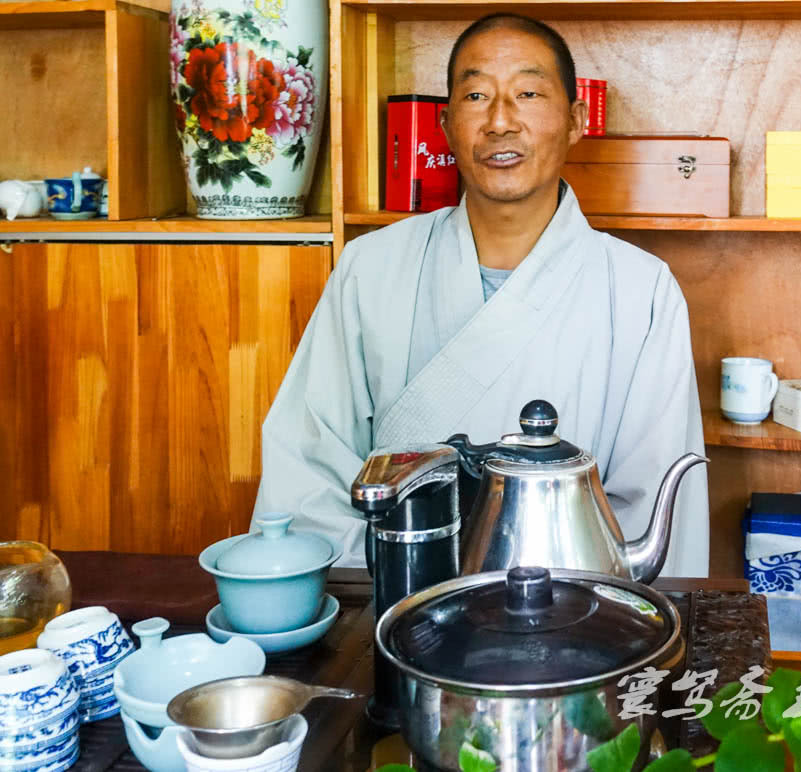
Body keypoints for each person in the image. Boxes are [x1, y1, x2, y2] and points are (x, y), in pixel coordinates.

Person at [252, 13, 709, 576]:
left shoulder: (643, 291)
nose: (499, 121)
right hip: (393, 600)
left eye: (528, 92)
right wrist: (399, 580)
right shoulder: (370, 267)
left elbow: (652, 500)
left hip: (563, 617)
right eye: (476, 95)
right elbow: (308, 463)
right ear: (446, 125)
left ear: (575, 120)